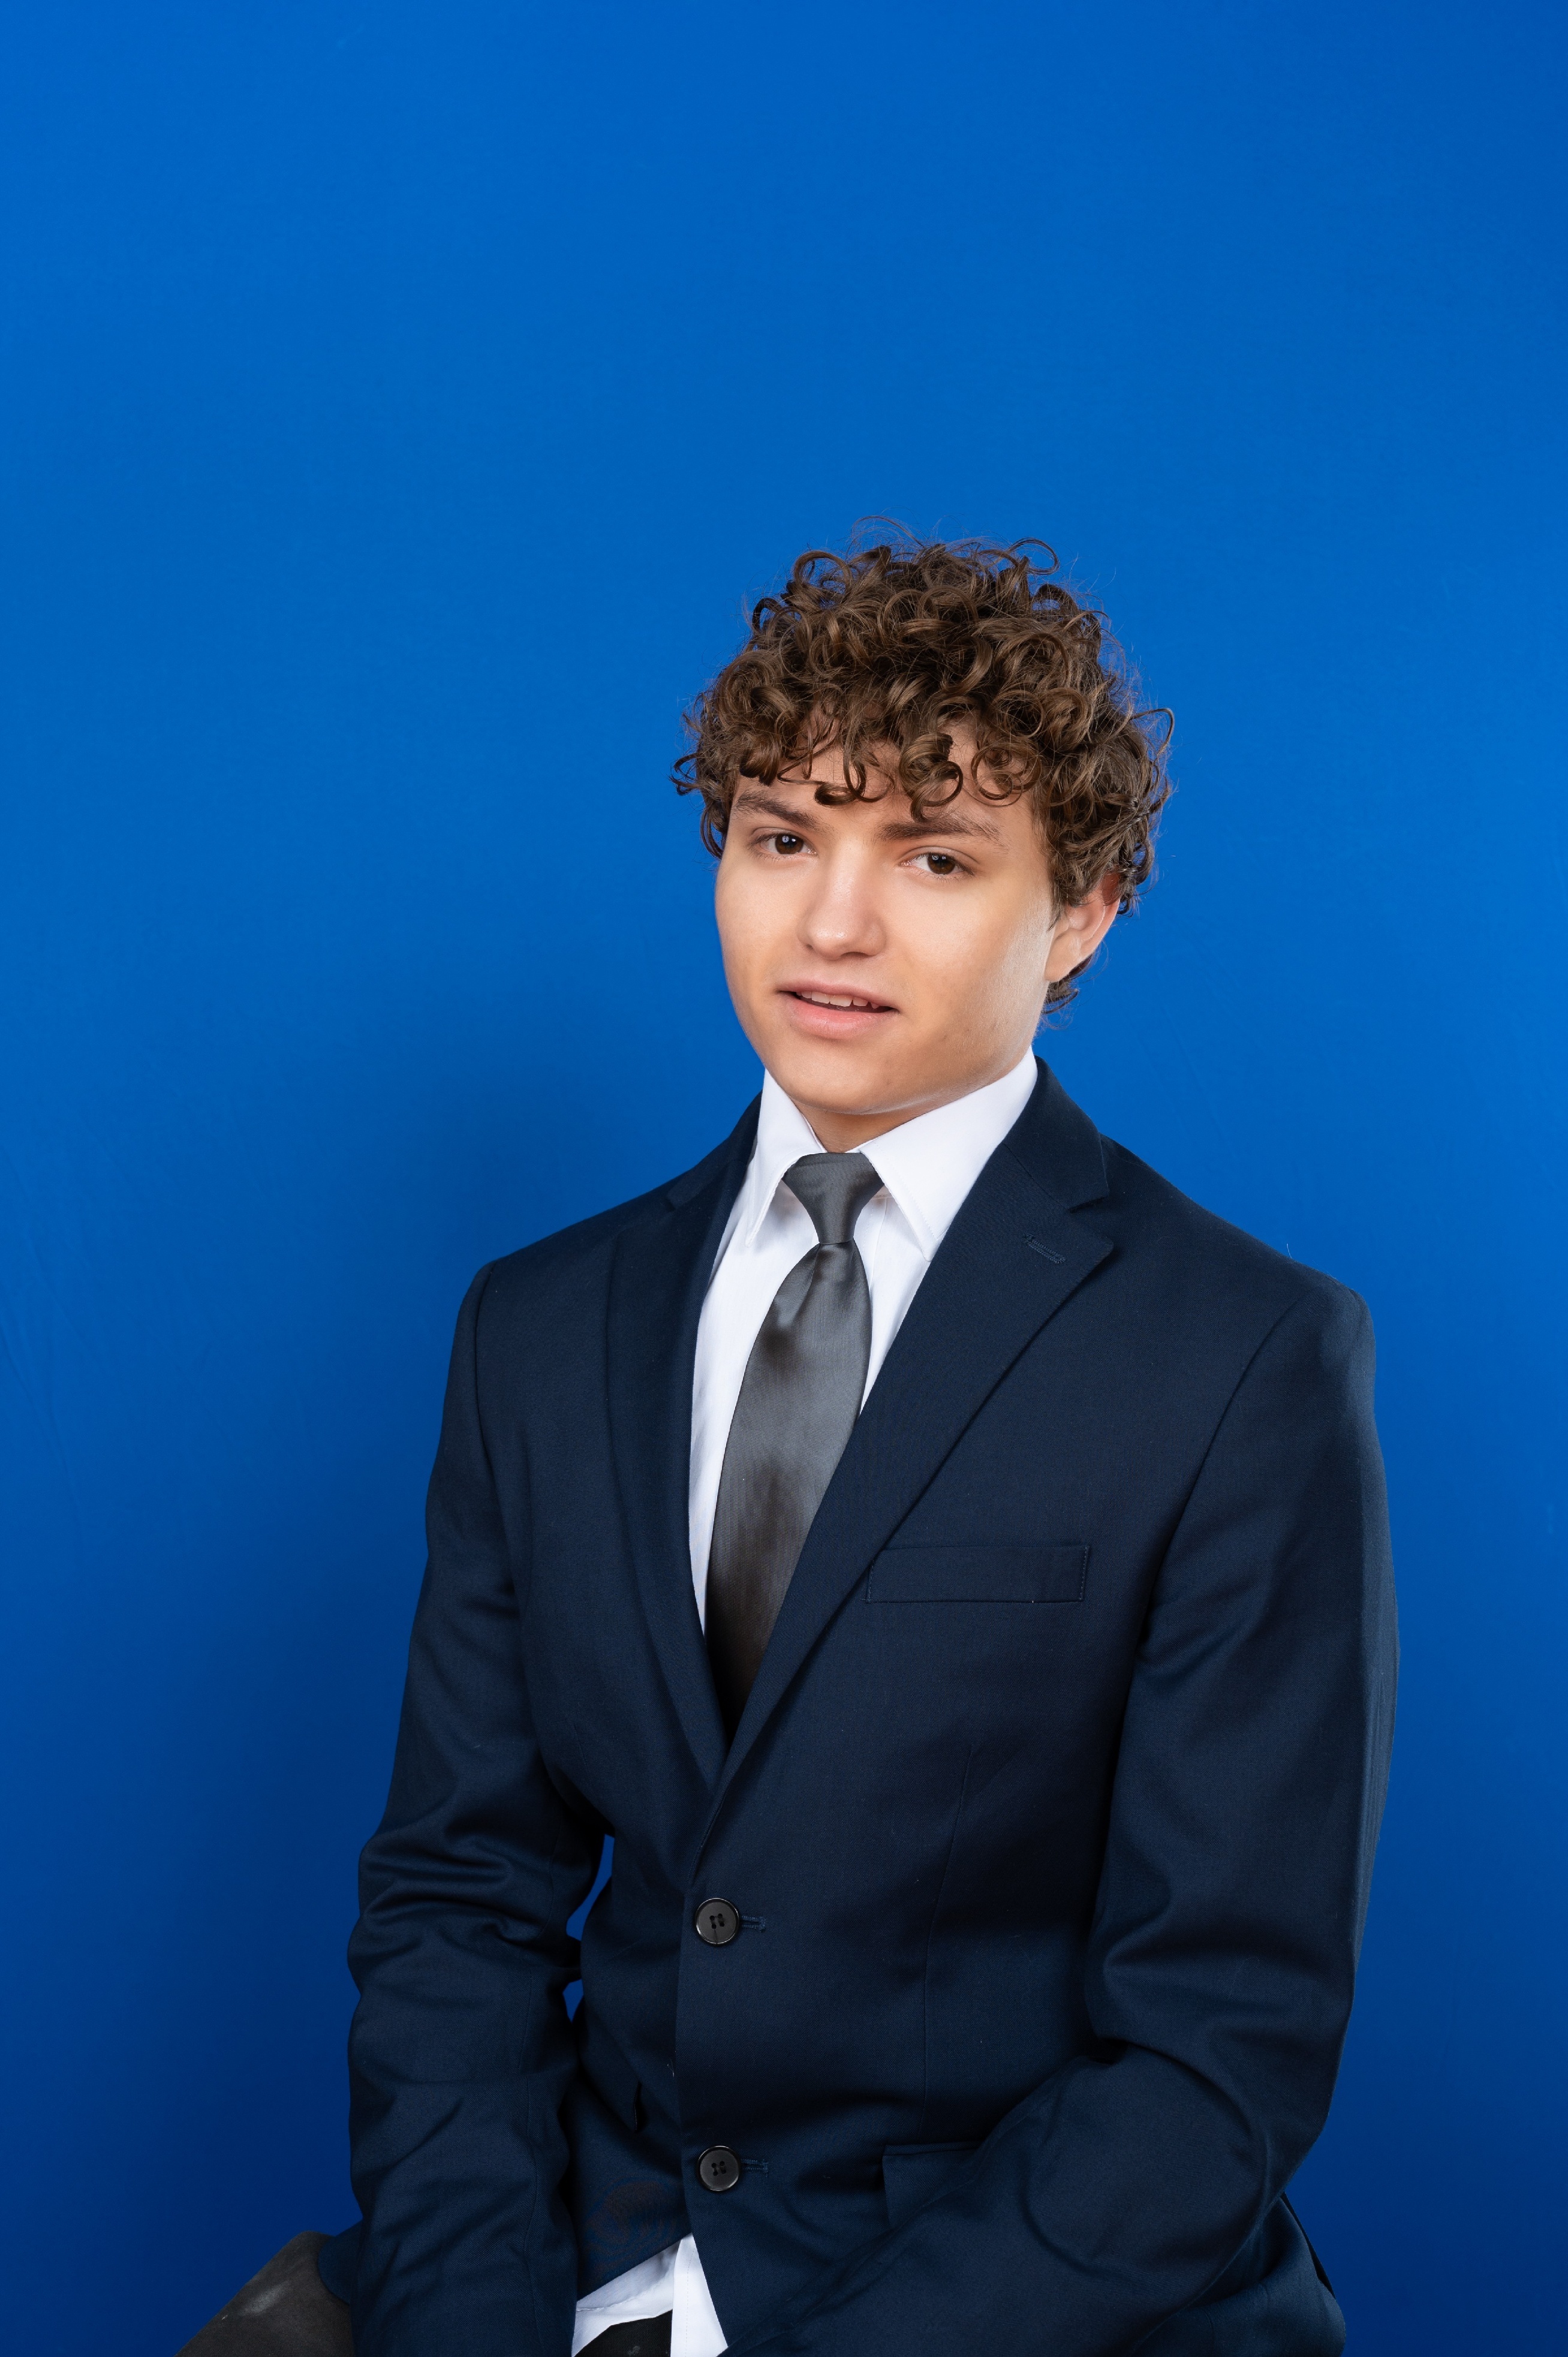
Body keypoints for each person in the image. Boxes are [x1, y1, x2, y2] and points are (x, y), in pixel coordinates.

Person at [179, 537, 1397, 2357]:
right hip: (586, 2257)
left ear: (1083, 911)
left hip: (1013, 2307)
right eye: (780, 837)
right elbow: (459, 1900)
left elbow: (1215, 2055)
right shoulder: (542, 1325)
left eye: (934, 855)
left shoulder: (1244, 1356)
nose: (833, 925)